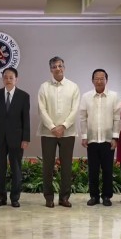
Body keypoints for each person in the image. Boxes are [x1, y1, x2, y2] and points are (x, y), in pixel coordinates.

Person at [37, 56, 80, 208]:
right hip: (48, 132)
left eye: (60, 66)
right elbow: (41, 109)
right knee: (47, 166)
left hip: (67, 132)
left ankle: (64, 198)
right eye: (54, 66)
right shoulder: (44, 87)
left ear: (64, 67)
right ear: (50, 69)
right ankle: (49, 197)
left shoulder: (73, 86)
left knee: (67, 166)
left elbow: (75, 109)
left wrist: (63, 126)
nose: (58, 69)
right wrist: (52, 127)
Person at [0, 67, 30, 208]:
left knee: (16, 168)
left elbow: (26, 119)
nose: (8, 80)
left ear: (16, 79)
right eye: (5, 77)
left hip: (17, 139)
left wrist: (25, 139)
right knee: (0, 168)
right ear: (2, 79)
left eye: (11, 77)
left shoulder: (24, 96)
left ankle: (15, 198)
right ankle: (1, 197)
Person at [80, 69, 121, 207]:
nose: (99, 81)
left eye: (101, 78)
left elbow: (117, 118)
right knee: (93, 170)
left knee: (108, 170)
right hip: (92, 139)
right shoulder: (86, 97)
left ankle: (107, 196)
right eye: (96, 78)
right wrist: (84, 136)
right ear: (92, 80)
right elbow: (83, 118)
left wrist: (115, 137)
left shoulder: (114, 96)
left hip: (108, 139)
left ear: (106, 80)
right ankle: (94, 196)